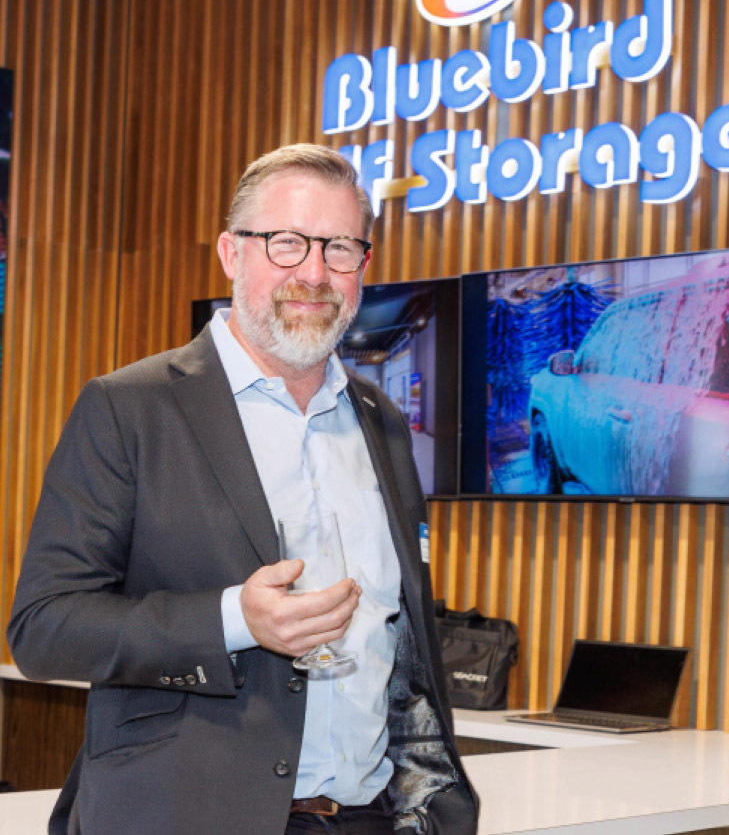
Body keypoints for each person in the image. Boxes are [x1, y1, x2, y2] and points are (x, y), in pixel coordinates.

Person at [7, 144, 479, 835]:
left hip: (368, 819)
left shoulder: (383, 424)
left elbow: (402, 644)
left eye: (340, 248)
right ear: (232, 253)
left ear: (363, 265)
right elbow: (43, 628)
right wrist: (234, 620)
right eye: (287, 244)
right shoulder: (129, 408)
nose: (314, 272)